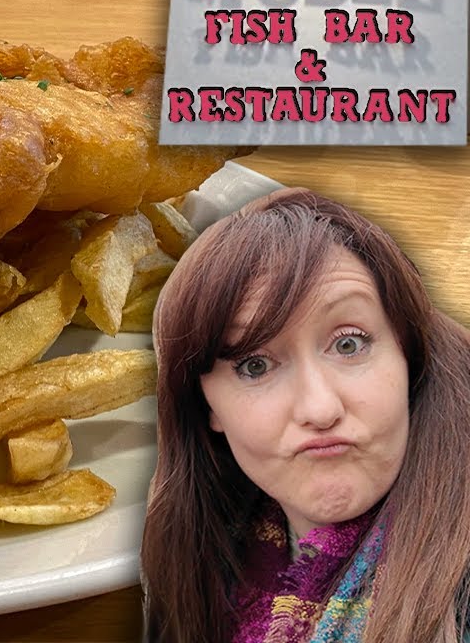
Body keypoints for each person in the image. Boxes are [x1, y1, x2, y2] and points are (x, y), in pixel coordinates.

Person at [141, 188, 470, 643]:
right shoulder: (194, 574)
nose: (320, 409)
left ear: (408, 353)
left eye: (349, 344)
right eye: (254, 365)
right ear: (205, 405)